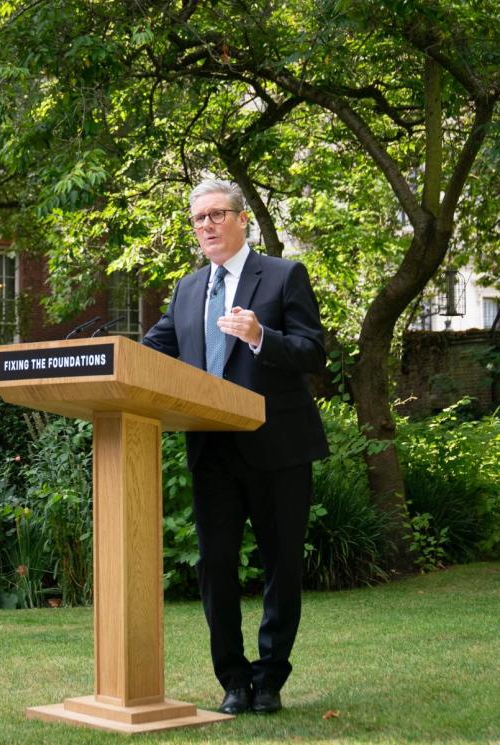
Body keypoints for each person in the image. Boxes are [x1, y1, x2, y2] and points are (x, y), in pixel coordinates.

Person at [142, 179, 329, 715]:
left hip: (279, 450)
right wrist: (104, 357)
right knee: (215, 566)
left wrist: (259, 336)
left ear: (241, 219)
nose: (206, 225)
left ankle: (269, 678)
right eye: (198, 218)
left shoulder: (283, 274)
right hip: (213, 452)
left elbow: (313, 352)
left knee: (281, 567)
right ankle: (233, 678)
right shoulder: (187, 289)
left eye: (216, 215)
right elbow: (154, 350)